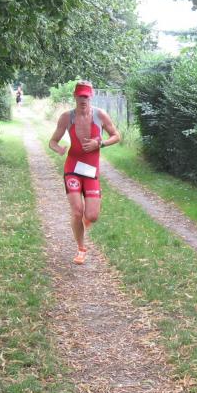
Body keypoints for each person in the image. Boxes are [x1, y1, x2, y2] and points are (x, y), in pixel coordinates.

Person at [49, 80, 121, 264]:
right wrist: (59, 149)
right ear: (75, 96)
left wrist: (100, 143)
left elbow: (116, 136)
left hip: (91, 170)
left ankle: (84, 220)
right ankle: (81, 249)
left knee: (92, 216)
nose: (83, 100)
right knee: (77, 211)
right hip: (72, 168)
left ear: (91, 96)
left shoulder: (100, 115)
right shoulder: (67, 117)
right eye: (80, 96)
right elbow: (52, 141)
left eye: (86, 97)